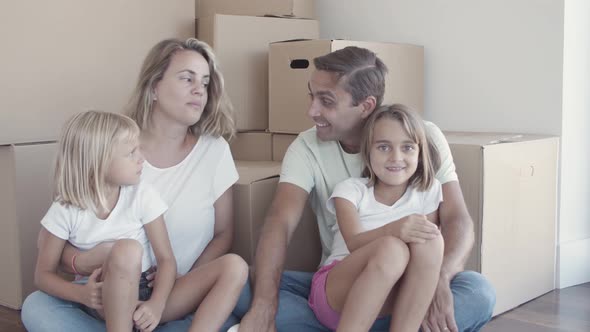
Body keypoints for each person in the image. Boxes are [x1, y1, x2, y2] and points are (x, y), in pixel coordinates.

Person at [236, 46, 496, 332]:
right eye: (312, 96)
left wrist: (440, 279)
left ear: (366, 106)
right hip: (343, 285)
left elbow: (456, 219)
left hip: (408, 288)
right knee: (245, 283)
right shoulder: (307, 148)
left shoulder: (424, 136)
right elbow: (279, 222)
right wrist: (264, 303)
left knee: (479, 292)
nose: (312, 110)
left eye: (327, 101)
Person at [22, 38, 247, 332]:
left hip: (174, 292)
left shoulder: (214, 150)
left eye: (204, 82)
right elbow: (55, 242)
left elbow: (223, 234)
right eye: (186, 78)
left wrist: (174, 284)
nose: (198, 90)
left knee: (239, 277)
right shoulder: (113, 146)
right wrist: (90, 261)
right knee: (37, 306)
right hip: (109, 294)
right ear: (154, 86)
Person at [309, 104, 444, 331]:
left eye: (408, 147)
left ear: (420, 154)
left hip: (391, 301)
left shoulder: (428, 192)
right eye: (383, 147)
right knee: (392, 249)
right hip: (338, 294)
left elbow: (425, 265)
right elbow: (353, 243)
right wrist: (394, 230)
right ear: (368, 151)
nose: (396, 157)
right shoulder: (350, 191)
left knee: (432, 240)